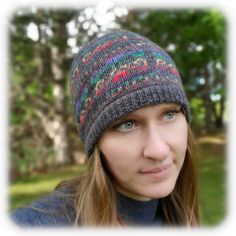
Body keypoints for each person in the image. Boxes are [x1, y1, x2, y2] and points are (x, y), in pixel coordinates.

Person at [10, 30, 199, 227]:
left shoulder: (179, 213)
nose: (158, 151)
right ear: (95, 141)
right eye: (127, 124)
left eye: (169, 114)